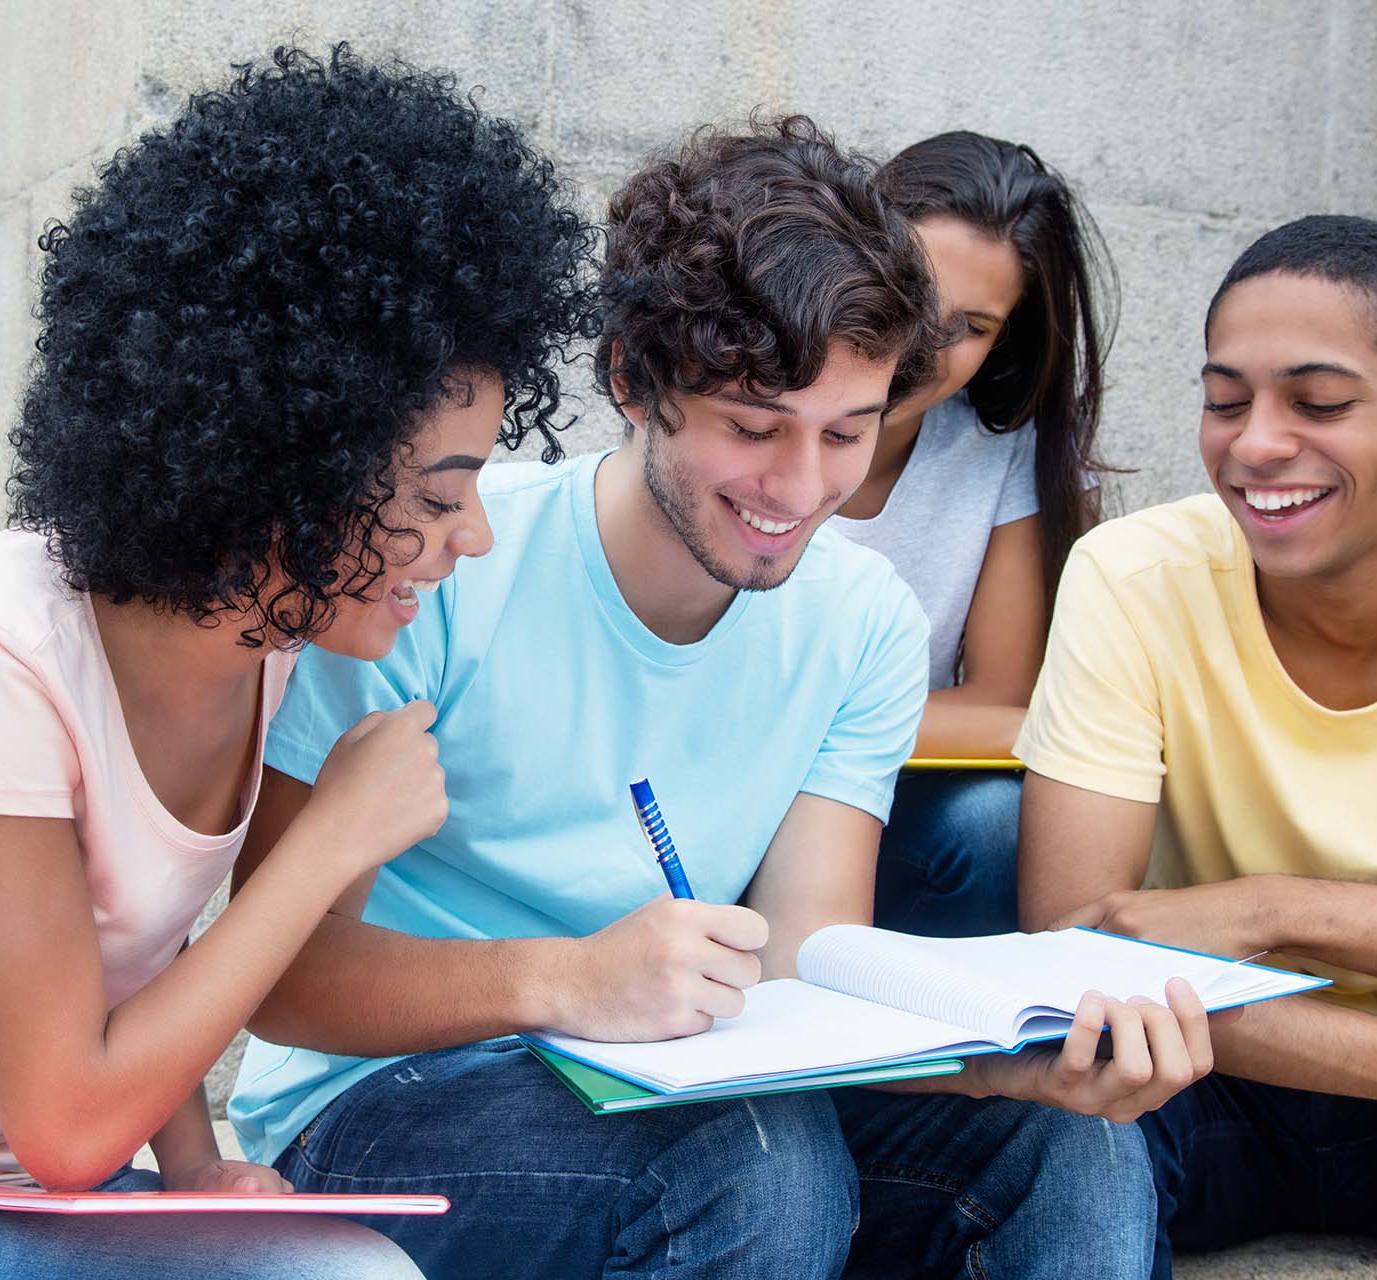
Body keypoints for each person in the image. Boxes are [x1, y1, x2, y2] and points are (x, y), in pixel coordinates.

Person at [228, 116, 1214, 1280]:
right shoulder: (438, 562)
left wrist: (1000, 1063)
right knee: (753, 1156)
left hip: (681, 1073)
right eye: (755, 428)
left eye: (847, 432)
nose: (801, 490)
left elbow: (802, 970)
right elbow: (280, 978)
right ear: (633, 383)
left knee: (1073, 1145)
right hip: (385, 1098)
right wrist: (564, 978)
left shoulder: (864, 624)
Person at [0, 45, 592, 1280]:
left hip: (33, 1196)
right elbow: (64, 1125)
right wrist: (329, 841)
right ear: (289, 463)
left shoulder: (267, 642)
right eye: (438, 495)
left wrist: (201, 1166)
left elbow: (126, 969)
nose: (471, 536)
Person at [1012, 214, 1377, 1275]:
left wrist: (1278, 908)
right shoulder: (1131, 575)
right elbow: (1075, 963)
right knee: (1057, 1110)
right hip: (1209, 1083)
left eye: (1319, 402)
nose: (1257, 443)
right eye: (1225, 401)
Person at [831, 131, 1116, 937]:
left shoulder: (999, 453)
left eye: (971, 325)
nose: (922, 340)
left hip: (878, 796)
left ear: (1005, 344)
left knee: (997, 822)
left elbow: (1005, 706)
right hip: (710, 788)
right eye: (908, 290)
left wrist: (798, 719)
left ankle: (931, 1058)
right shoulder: (750, 409)